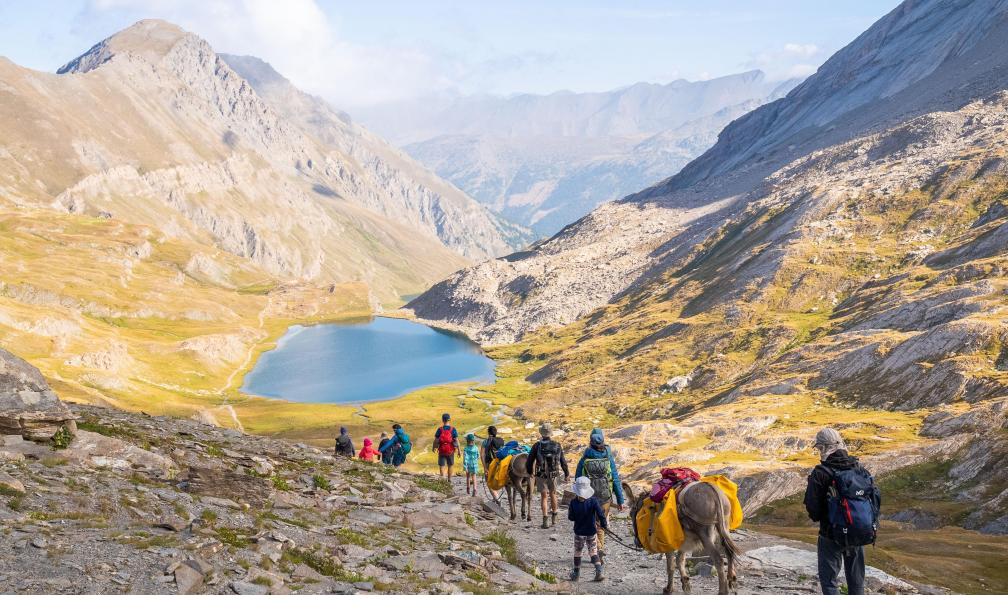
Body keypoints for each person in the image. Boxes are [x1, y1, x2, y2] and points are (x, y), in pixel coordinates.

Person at [804, 428, 880, 595]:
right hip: (857, 530)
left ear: (823, 448)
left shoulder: (820, 473)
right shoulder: (858, 468)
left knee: (829, 580)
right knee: (856, 580)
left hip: (830, 534)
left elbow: (813, 508)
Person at [574, 428, 625, 555]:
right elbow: (615, 479)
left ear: (590, 442)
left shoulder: (585, 458)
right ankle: (600, 549)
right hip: (605, 497)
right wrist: (620, 500)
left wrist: (578, 499)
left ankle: (597, 549)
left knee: (592, 523)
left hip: (588, 497)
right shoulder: (608, 458)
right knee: (601, 524)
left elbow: (578, 479)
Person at [526, 423, 569, 528]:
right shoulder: (557, 445)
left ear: (541, 433)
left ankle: (545, 520)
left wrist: (530, 472)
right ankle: (554, 517)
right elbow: (563, 461)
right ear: (551, 433)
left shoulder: (537, 445)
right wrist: (567, 474)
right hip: (554, 474)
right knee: (553, 494)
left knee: (544, 496)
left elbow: (529, 460)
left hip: (541, 475)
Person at [567, 476, 606, 583]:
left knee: (578, 552)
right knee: (593, 552)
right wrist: (603, 524)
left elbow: (571, 518)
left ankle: (576, 574)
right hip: (591, 531)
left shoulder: (573, 502)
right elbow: (601, 514)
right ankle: (599, 572)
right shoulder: (593, 501)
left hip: (579, 532)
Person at [433, 413, 459, 480]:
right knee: (450, 465)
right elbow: (456, 440)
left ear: (442, 420)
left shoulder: (440, 429)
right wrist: (459, 450)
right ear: (449, 420)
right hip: (450, 450)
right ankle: (449, 480)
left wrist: (434, 447)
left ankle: (443, 479)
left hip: (441, 450)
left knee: (442, 465)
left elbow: (436, 440)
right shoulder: (453, 429)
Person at [481, 425, 506, 496]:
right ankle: (497, 498)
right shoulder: (501, 440)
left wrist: (485, 467)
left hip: (489, 463)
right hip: (500, 463)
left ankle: (497, 498)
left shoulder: (485, 442)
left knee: (489, 482)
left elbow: (482, 455)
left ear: (488, 433)